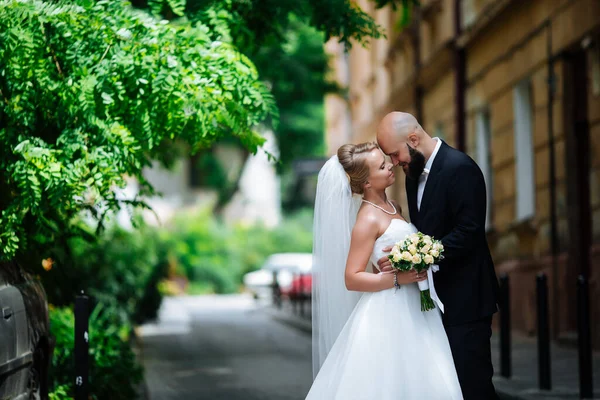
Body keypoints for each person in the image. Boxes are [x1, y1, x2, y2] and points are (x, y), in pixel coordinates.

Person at [307, 142, 463, 399]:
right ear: (366, 183)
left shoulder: (393, 207)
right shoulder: (367, 219)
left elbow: (376, 260)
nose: (390, 165)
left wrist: (417, 260)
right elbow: (352, 277)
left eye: (386, 160)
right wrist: (396, 278)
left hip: (416, 304)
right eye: (381, 166)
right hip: (389, 310)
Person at [376, 111, 500, 400]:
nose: (394, 163)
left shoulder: (461, 167)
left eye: (395, 154)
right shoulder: (412, 174)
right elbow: (425, 229)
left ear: (414, 139)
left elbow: (469, 232)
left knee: (473, 387)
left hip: (466, 299)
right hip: (432, 303)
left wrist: (415, 254)